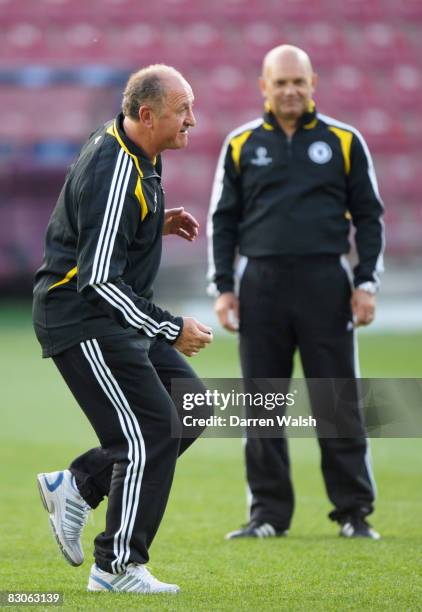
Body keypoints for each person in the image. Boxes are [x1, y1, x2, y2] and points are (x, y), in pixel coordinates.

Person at [33, 64, 213, 594]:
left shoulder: (138, 151)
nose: (192, 121)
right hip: (83, 319)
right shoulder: (116, 167)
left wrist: (153, 220)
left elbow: (98, 223)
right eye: (183, 110)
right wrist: (171, 327)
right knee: (149, 433)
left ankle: (79, 485)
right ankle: (115, 568)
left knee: (191, 406)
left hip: (109, 318)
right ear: (147, 114)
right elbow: (97, 280)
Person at [207, 45, 384, 540]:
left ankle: (353, 512)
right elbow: (222, 221)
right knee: (262, 402)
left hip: (326, 284)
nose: (289, 90)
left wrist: (365, 282)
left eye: (298, 82)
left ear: (313, 84)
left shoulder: (345, 141)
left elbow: (369, 216)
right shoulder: (241, 143)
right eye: (280, 82)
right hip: (260, 284)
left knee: (336, 401)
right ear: (263, 86)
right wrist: (224, 288)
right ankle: (266, 514)